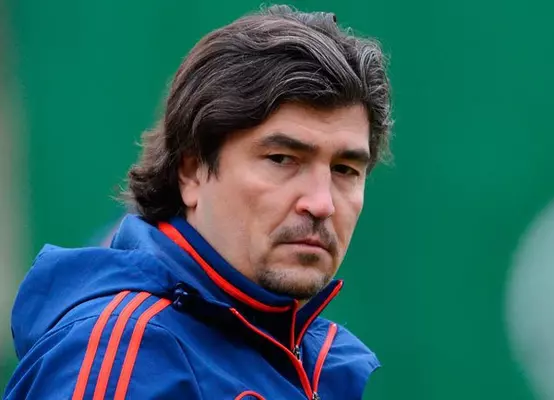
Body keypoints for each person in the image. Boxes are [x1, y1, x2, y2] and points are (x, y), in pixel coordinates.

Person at [4, 4, 392, 399]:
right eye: (281, 159)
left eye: (345, 169)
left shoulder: (314, 360)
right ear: (191, 172)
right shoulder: (127, 353)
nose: (321, 203)